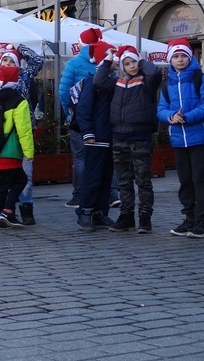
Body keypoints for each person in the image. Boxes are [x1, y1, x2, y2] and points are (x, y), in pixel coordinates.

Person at [95, 45, 162, 233]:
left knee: (143, 180)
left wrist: (140, 59)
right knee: (123, 180)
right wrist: (108, 59)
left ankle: (145, 217)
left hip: (140, 136)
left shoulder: (146, 82)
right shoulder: (116, 82)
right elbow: (98, 80)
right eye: (127, 63)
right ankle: (126, 216)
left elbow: (155, 72)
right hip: (119, 136)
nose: (131, 66)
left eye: (133, 62)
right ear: (121, 66)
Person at [157, 38, 204, 238]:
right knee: (185, 181)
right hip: (178, 139)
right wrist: (170, 117)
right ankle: (189, 218)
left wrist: (186, 117)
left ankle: (202, 221)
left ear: (190, 57)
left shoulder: (200, 78)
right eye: (175, 56)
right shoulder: (166, 84)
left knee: (200, 180)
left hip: (199, 138)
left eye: (183, 56)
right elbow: (160, 108)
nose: (179, 60)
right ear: (170, 59)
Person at [74, 42, 118, 232]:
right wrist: (88, 132)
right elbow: (83, 110)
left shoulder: (113, 79)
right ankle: (85, 212)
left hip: (110, 137)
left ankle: (101, 212)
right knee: (92, 177)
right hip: (96, 137)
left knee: (106, 177)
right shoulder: (92, 81)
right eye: (113, 55)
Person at [59, 27, 103, 208]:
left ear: (81, 44)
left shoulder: (74, 63)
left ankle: (79, 195)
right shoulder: (105, 61)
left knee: (80, 157)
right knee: (103, 155)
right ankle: (110, 194)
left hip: (80, 117)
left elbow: (63, 91)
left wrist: (70, 113)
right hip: (101, 116)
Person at [0, 66, 34, 229]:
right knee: (16, 181)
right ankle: (0, 214)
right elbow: (24, 129)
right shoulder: (19, 101)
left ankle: (5, 212)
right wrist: (28, 151)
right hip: (11, 149)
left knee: (6, 182)